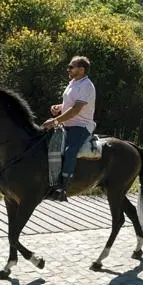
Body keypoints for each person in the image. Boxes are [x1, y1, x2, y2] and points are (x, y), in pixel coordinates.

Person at [42, 56, 96, 202]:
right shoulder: (73, 82)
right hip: (67, 125)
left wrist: (55, 120)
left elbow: (77, 109)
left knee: (69, 151)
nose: (68, 69)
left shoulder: (86, 85)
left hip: (81, 126)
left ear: (81, 69)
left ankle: (62, 187)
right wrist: (59, 107)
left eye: (71, 67)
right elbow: (70, 104)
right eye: (69, 67)